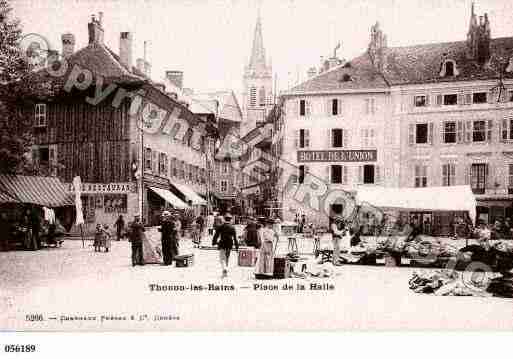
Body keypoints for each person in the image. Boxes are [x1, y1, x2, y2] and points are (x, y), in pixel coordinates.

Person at [212, 213, 238, 278]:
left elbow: (216, 235)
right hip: (229, 244)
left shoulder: (221, 226)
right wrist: (237, 247)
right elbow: (235, 238)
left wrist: (214, 242)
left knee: (222, 258)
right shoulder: (232, 227)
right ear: (230, 219)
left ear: (224, 219)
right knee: (227, 257)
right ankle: (226, 269)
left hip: (222, 243)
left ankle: (224, 269)